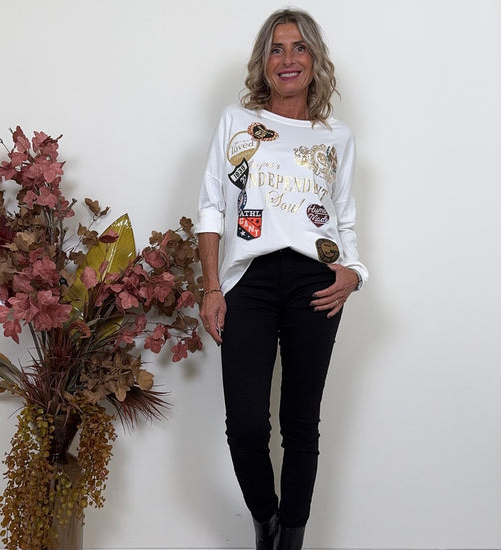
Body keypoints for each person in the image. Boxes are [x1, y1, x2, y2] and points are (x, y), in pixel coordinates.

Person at [196, 8, 368, 550]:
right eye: (276, 48)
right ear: (263, 62)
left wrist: (355, 273)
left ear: (314, 60)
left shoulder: (336, 136)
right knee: (246, 424)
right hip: (249, 280)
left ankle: (289, 540)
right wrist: (211, 287)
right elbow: (211, 207)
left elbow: (343, 219)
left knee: (300, 422)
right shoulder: (237, 121)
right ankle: (265, 518)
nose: (287, 59)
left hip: (315, 282)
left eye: (299, 48)